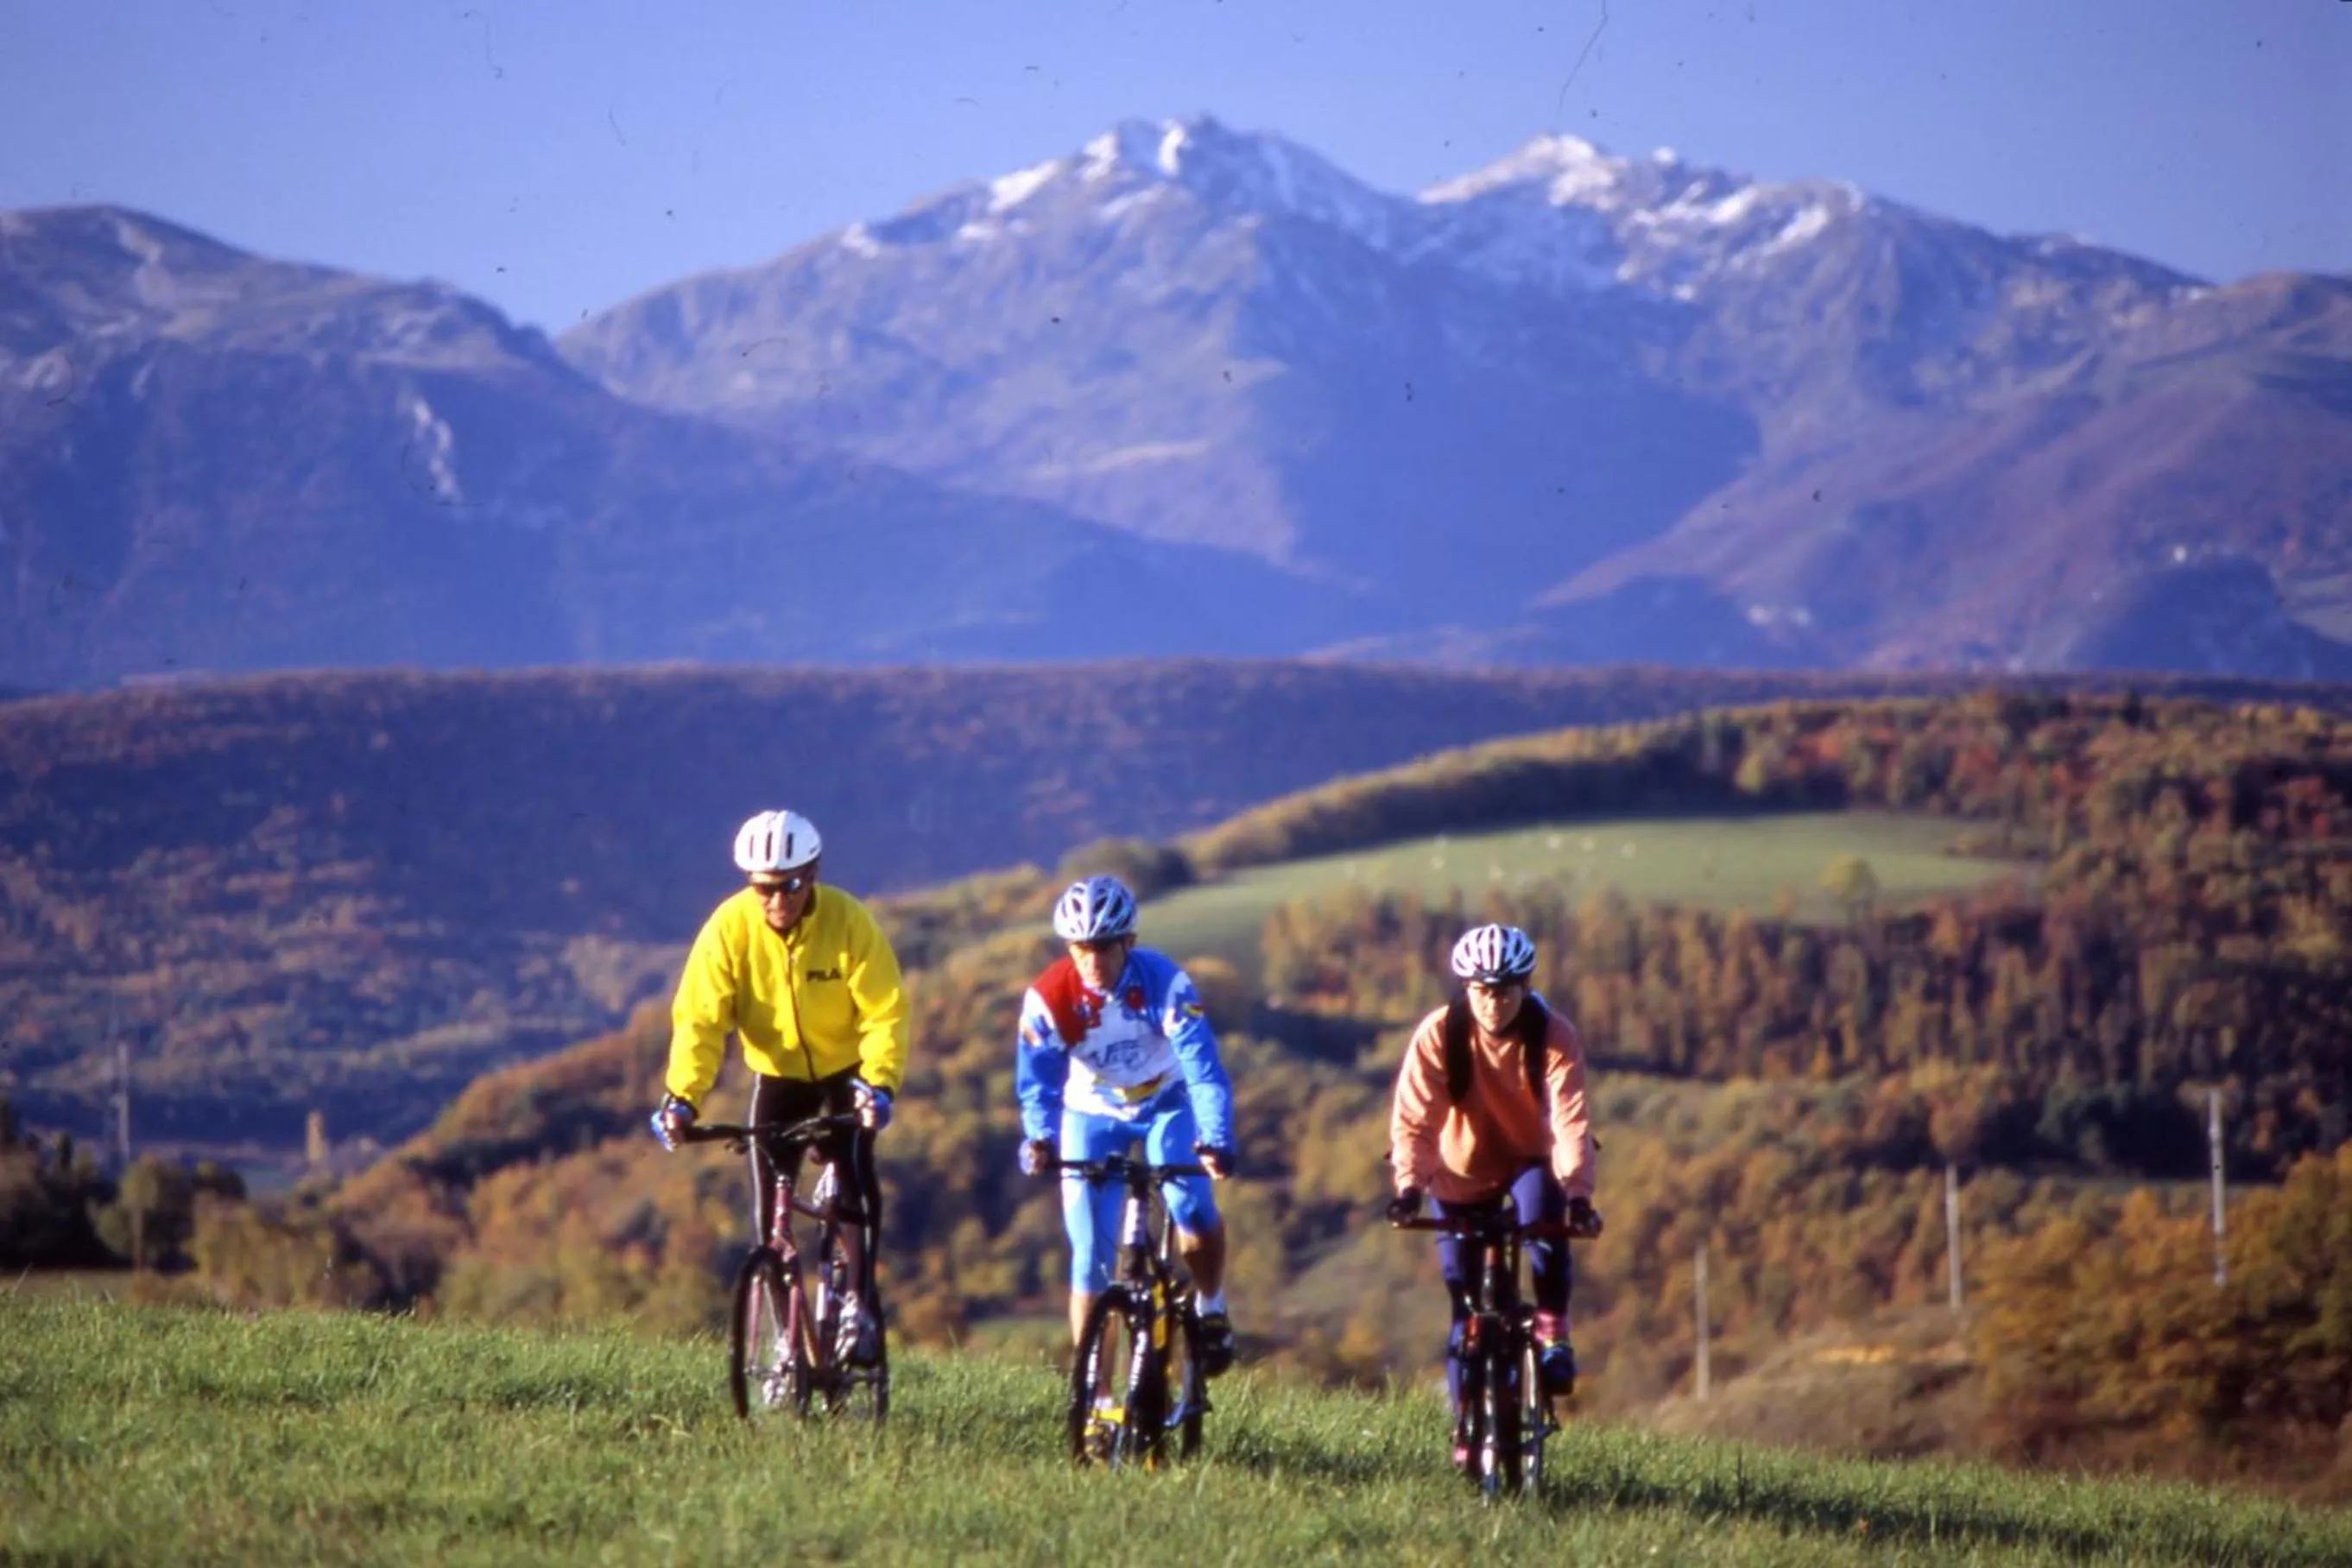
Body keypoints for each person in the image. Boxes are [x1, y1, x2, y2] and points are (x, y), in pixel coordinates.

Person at [650, 808, 909, 1366]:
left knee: (856, 1178)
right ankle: (784, 1346)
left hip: (846, 1072)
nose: (775, 901)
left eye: (789, 886)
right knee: (769, 1214)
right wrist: (683, 1098)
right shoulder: (729, 929)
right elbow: (700, 1022)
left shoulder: (847, 921)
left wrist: (879, 1084)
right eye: (762, 888)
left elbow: (885, 1013)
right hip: (778, 1076)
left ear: (812, 875)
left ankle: (858, 1306)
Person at [1388, 922, 1601, 1465]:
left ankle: (1552, 1327)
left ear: (1526, 987)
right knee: (1465, 1309)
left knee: (1546, 1226)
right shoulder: (1441, 1034)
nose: (1493, 1002)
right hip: (1461, 1168)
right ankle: (1466, 1426)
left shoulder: (1553, 1034)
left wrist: (1579, 1195)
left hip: (1532, 1158)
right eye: (1482, 990)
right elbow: (1414, 1120)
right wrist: (1409, 1188)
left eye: (1506, 990)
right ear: (1466, 988)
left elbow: (1571, 1123)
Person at [1015, 874, 1240, 1375]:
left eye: (1104, 948)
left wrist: (1215, 1138)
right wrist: (1040, 1138)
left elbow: (1204, 1071)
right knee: (1090, 1256)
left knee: (1190, 1204)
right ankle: (1093, 1395)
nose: (1093, 963)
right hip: (1091, 1113)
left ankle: (1211, 1305)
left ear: (1129, 943)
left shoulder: (1165, 984)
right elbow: (1038, 1086)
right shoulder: (1048, 1000)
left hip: (1168, 1103)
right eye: (1081, 949)